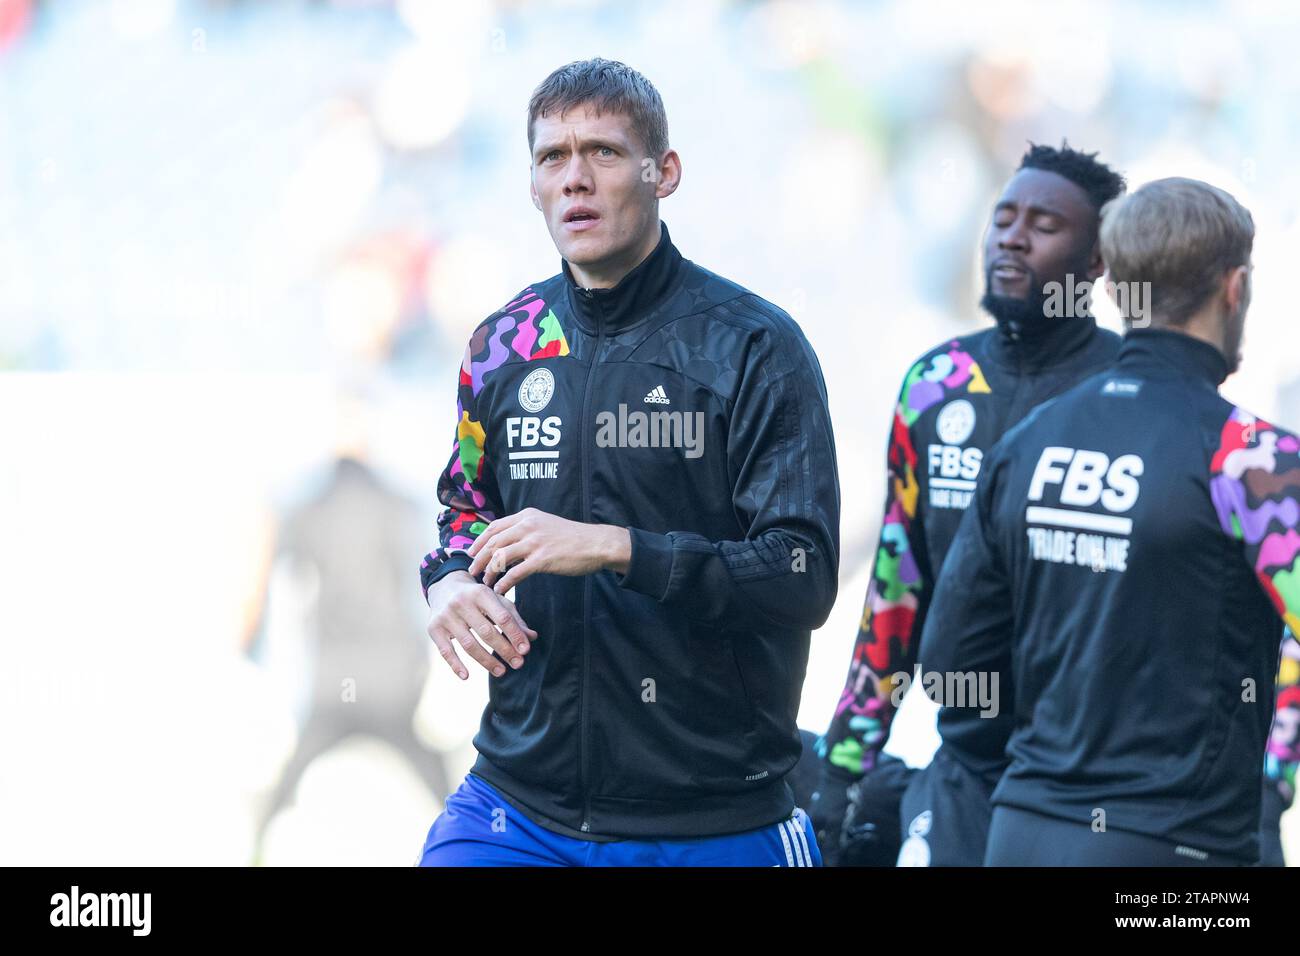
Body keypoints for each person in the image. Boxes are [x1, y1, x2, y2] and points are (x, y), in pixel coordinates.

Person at [415, 57, 839, 866]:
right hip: (517, 808)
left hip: (714, 820)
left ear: (663, 172)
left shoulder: (754, 346)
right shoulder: (501, 345)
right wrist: (449, 580)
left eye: (603, 153)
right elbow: (462, 515)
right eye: (553, 157)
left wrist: (617, 547)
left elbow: (801, 573)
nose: (575, 178)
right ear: (532, 183)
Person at [924, 177, 1296, 864]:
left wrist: (1041, 774)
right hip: (1175, 848)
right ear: (1234, 287)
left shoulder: (1030, 441)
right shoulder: (1257, 463)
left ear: (1119, 289)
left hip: (1020, 832)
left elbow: (951, 660)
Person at [809, 143, 1127, 866]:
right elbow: (897, 585)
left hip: (1101, 783)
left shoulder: (1130, 393)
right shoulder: (937, 383)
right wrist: (844, 764)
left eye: (1045, 224)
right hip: (967, 764)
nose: (1013, 236)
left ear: (1099, 259)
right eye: (1004, 217)